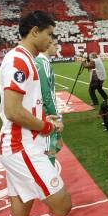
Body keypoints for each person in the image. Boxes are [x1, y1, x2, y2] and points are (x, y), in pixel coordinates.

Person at [0, 11, 71, 216]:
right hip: (22, 144)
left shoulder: (23, 58)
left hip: (17, 143)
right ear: (35, 31)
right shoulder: (19, 59)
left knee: (20, 213)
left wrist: (45, 120)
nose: (52, 40)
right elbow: (14, 110)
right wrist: (45, 126)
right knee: (62, 204)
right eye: (50, 34)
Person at [35, 36, 63, 166]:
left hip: (40, 112)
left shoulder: (39, 62)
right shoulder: (43, 63)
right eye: (55, 44)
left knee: (52, 146)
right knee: (49, 148)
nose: (56, 47)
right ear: (48, 44)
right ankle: (49, 180)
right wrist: (56, 118)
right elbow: (47, 94)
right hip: (46, 114)